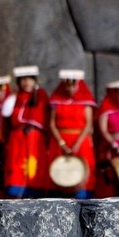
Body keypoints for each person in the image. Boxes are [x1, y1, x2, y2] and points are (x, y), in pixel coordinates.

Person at [47, 69, 97, 199]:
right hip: (60, 142)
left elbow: (88, 124)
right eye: (67, 85)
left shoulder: (85, 102)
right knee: (60, 173)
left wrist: (78, 144)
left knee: (81, 174)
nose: (70, 88)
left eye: (73, 85)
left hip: (81, 142)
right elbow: (52, 124)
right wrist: (61, 143)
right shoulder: (56, 102)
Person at [1, 65, 49, 198]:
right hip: (17, 140)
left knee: (35, 169)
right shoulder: (13, 99)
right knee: (16, 169)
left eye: (30, 79)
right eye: (23, 80)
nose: (27, 83)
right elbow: (5, 121)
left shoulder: (41, 96)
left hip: (35, 139)